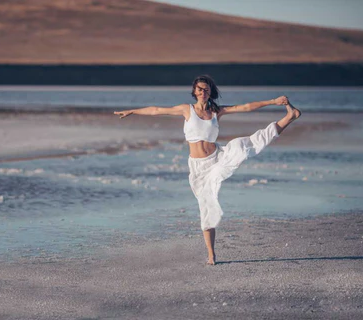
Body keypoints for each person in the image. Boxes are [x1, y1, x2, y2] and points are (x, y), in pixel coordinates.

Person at [114, 75, 301, 265]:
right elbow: (156, 110)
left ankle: (289, 117)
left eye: (206, 89)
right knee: (207, 207)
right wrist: (133, 111)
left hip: (217, 158)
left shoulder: (216, 111)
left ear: (210, 91)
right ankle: (211, 254)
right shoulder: (186, 109)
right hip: (198, 168)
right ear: (194, 91)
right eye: (200, 89)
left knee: (244, 144)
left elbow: (245, 107)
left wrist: (272, 101)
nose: (203, 92)